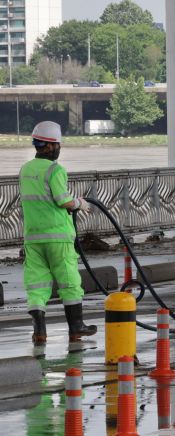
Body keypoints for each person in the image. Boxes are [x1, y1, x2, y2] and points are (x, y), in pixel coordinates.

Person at [21, 122, 96, 344]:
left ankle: (39, 332)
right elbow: (63, 200)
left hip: (33, 238)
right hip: (57, 237)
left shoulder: (25, 169)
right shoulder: (55, 170)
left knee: (36, 285)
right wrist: (80, 203)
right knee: (69, 281)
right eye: (58, 145)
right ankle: (76, 327)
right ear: (51, 146)